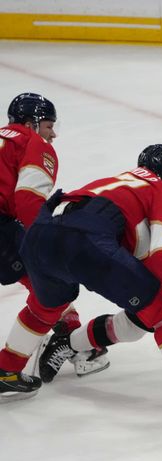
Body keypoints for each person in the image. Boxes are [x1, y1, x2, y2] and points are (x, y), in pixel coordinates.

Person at [22, 144, 162, 429]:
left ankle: (20, 366)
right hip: (88, 246)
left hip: (41, 236)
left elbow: (138, 251)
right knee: (161, 311)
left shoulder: (115, 183)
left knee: (47, 307)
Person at [0, 93, 67, 401]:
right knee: (50, 288)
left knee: (45, 280)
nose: (52, 134)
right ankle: (7, 370)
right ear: (31, 123)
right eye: (49, 126)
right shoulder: (34, 143)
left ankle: (69, 326)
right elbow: (27, 200)